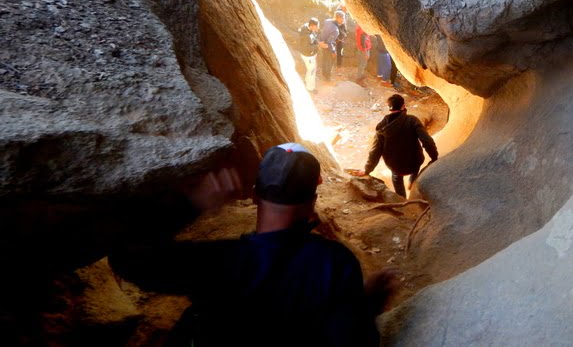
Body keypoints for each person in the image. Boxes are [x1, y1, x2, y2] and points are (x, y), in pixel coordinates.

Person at [110, 143, 394, 346]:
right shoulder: (335, 263)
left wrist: (191, 204)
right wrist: (364, 305)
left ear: (255, 195)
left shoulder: (220, 261)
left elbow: (128, 259)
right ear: (313, 200)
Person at [355, 95, 438, 198]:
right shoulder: (412, 120)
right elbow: (426, 140)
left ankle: (402, 199)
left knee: (397, 179)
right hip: (414, 162)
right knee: (415, 166)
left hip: (396, 167)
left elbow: (375, 151)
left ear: (389, 108)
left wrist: (367, 170)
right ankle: (412, 183)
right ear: (403, 106)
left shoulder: (382, 128)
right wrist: (434, 156)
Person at [295, 18, 320, 92]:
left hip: (308, 55)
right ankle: (310, 88)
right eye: (317, 26)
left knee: (310, 69)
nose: (318, 28)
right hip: (308, 56)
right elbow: (307, 48)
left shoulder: (307, 27)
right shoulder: (306, 36)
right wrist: (318, 45)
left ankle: (306, 81)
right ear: (312, 26)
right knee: (312, 71)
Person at [319, 11, 344, 81]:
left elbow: (323, 31)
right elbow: (330, 42)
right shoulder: (335, 30)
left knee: (324, 60)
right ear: (338, 18)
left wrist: (320, 41)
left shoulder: (327, 21)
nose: (343, 20)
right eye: (343, 18)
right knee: (329, 62)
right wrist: (333, 51)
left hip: (322, 43)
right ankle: (327, 79)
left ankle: (324, 75)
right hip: (328, 46)